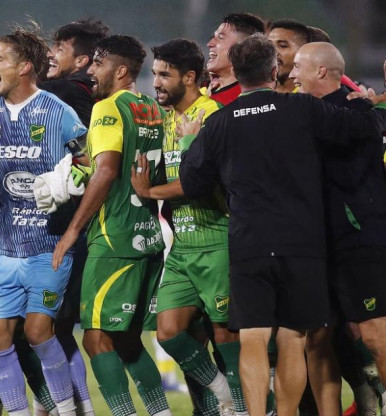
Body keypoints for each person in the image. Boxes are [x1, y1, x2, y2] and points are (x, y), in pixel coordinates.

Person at [177, 34, 386, 416]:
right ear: (275, 70)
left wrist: (190, 142)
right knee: (294, 338)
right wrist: (372, 106)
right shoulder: (302, 108)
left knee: (254, 339)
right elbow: (363, 130)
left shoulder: (218, 123)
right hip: (302, 245)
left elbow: (191, 184)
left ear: (237, 74)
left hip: (249, 244)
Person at [0, 25, 87, 416]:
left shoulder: (60, 113)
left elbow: (92, 166)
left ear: (24, 67)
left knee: (38, 332)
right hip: (4, 246)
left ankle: (66, 410)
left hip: (48, 245)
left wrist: (70, 180)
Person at [51, 35, 171, 416]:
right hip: (146, 236)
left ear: (120, 71)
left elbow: (106, 171)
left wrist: (72, 231)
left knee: (96, 339)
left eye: (98, 64)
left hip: (113, 238)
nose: (90, 71)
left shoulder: (106, 108)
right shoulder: (152, 108)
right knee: (127, 340)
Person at [130, 38, 247, 416]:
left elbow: (204, 181)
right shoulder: (164, 120)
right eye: (154, 74)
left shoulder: (212, 115)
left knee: (227, 334)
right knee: (168, 332)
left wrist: (150, 190)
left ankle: (249, 408)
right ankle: (223, 394)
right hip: (181, 242)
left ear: (191, 77)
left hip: (217, 238)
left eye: (165, 75)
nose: (157, 82)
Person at [290, 42, 386, 415]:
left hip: (360, 239)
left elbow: (362, 122)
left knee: (375, 336)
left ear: (320, 71)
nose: (292, 73)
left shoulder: (354, 112)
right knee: (319, 339)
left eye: (298, 66)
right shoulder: (314, 111)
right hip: (317, 245)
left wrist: (369, 103)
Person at [205, 13, 265, 105]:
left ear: (245, 49)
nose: (210, 43)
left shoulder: (248, 102)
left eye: (220, 38)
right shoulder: (198, 94)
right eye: (213, 37)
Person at [267, 19, 310, 93]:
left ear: (303, 51)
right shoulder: (252, 95)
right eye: (269, 45)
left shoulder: (314, 98)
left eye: (282, 46)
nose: (272, 52)